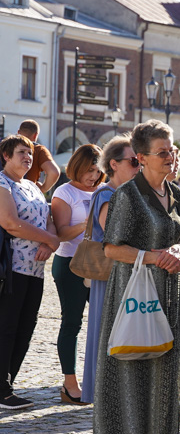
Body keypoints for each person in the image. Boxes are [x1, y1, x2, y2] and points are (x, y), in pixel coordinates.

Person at [94, 119, 180, 434]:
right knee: (130, 360)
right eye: (163, 152)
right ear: (142, 157)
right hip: (134, 288)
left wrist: (179, 251)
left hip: (170, 290)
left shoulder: (177, 194)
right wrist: (152, 256)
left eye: (173, 151)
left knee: (161, 362)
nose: (170, 157)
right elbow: (111, 249)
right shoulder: (127, 195)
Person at [0, 135, 60, 410]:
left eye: (30, 153)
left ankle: (8, 384)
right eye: (21, 152)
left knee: (26, 328)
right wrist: (49, 240)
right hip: (10, 269)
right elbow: (11, 223)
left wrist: (50, 241)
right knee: (7, 327)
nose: (27, 157)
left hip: (35, 270)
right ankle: (1, 389)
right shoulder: (3, 184)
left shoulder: (35, 187)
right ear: (6, 156)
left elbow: (48, 217)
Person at [81, 135, 140, 404]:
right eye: (134, 160)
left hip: (124, 274)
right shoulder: (107, 194)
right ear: (114, 164)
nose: (138, 165)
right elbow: (115, 235)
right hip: (111, 275)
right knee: (107, 334)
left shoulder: (127, 192)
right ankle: (104, 399)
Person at [50, 144, 105, 405]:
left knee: (105, 322)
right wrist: (88, 223)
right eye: (89, 170)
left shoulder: (104, 191)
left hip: (99, 265)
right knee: (72, 322)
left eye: (97, 170)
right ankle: (70, 384)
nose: (93, 176)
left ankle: (100, 379)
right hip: (70, 264)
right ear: (77, 167)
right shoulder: (65, 191)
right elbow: (60, 233)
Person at [17, 120, 60, 194]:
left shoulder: (5, 146)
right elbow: (54, 172)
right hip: (26, 195)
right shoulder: (38, 150)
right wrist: (43, 189)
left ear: (18, 132)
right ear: (35, 135)